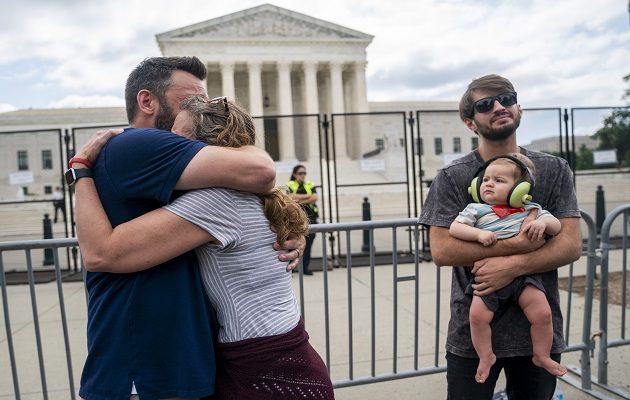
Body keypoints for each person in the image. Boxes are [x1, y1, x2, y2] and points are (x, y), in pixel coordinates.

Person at [71, 56, 304, 400]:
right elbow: (259, 171)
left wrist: (283, 226)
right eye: (187, 101)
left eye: (203, 103)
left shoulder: (197, 178)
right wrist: (77, 172)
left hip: (185, 359)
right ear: (147, 100)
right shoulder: (140, 143)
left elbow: (246, 195)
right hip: (149, 368)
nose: (197, 107)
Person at [418, 74, 582, 400]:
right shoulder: (453, 176)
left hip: (537, 329)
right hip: (473, 334)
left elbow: (570, 244)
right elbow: (443, 249)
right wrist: (522, 244)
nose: (498, 107)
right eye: (485, 104)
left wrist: (513, 265)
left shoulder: (554, 169)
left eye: (507, 99)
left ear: (519, 107)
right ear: (470, 121)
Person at [449, 153, 566, 384]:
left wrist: (542, 223)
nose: (489, 183)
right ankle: (486, 356)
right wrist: (479, 233)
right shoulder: (476, 209)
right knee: (477, 316)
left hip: (524, 278)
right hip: (487, 279)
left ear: (521, 190)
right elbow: (455, 228)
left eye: (499, 180)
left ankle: (541, 355)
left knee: (542, 314)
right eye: (485, 180)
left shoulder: (530, 209)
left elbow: (557, 225)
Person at [287, 165, 319, 275]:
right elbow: (290, 197)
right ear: (295, 174)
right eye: (300, 173)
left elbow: (315, 197)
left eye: (304, 173)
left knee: (309, 244)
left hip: (312, 218)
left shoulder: (309, 184)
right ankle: (292, 268)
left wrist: (299, 200)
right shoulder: (290, 185)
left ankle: (305, 268)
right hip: (296, 219)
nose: (303, 175)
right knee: (295, 244)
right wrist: (308, 197)